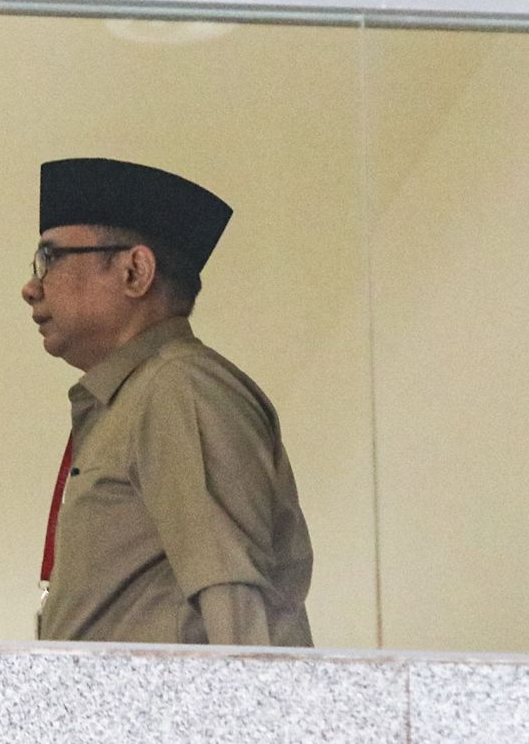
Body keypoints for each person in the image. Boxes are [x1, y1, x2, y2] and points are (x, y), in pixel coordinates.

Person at [23, 157, 313, 646]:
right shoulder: (134, 396)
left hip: (179, 702)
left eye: (49, 258)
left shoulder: (180, 389)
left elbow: (236, 602)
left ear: (135, 271)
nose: (31, 287)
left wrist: (256, 697)